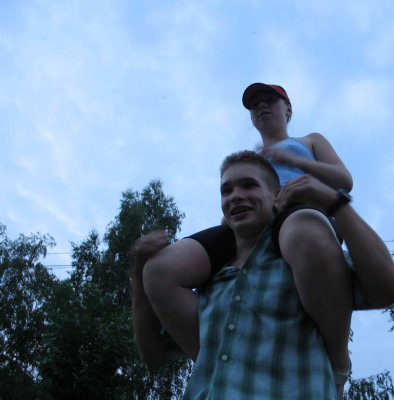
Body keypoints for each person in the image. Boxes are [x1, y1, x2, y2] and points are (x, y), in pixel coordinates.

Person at [132, 151, 394, 399]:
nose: (235, 196)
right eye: (226, 191)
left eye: (249, 185)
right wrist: (139, 274)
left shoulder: (306, 265)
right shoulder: (210, 279)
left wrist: (337, 204)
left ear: (276, 196)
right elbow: (152, 354)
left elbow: (389, 290)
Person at [135, 83, 356, 380]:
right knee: (161, 269)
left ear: (288, 110)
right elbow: (237, 199)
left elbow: (344, 180)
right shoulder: (250, 159)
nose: (262, 106)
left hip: (298, 212)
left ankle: (338, 361)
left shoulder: (310, 141)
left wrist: (295, 161)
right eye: (255, 105)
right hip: (248, 226)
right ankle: (213, 365)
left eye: (270, 100)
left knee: (306, 234)